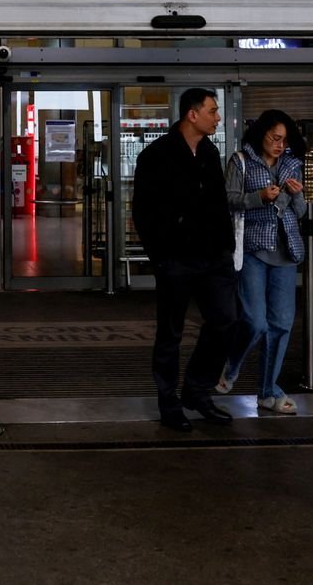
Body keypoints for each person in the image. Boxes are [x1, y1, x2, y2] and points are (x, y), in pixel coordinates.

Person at [132, 88, 240, 432]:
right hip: (175, 260)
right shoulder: (157, 155)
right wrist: (160, 256)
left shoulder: (210, 152)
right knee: (171, 333)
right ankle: (169, 402)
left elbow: (218, 203)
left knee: (226, 322)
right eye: (212, 111)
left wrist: (226, 246)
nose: (218, 117)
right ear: (192, 115)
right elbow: (143, 211)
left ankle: (197, 390)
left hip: (214, 258)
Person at [219, 110, 308, 414]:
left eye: (285, 139)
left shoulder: (293, 164)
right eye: (275, 138)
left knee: (280, 324)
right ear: (261, 135)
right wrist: (258, 196)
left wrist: (297, 197)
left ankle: (268, 392)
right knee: (255, 322)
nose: (280, 144)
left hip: (286, 251)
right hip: (253, 250)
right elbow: (227, 200)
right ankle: (231, 366)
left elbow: (299, 212)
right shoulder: (241, 161)